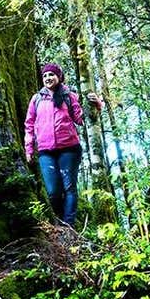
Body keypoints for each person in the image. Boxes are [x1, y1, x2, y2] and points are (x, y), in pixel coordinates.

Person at [24, 63, 102, 227]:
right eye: (45, 76)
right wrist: (29, 149)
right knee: (53, 192)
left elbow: (80, 119)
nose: (48, 78)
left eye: (51, 75)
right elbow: (29, 125)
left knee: (69, 188)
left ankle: (68, 227)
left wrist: (96, 105)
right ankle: (58, 223)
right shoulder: (37, 98)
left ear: (59, 77)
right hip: (46, 151)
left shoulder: (69, 96)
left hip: (69, 149)